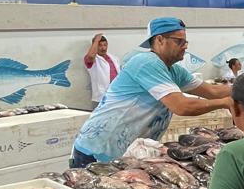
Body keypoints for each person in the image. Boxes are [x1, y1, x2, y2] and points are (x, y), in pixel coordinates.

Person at [72, 17, 232, 166]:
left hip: (128, 152)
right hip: (98, 150)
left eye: (186, 41)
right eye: (179, 41)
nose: (185, 46)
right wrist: (225, 103)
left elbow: (212, 90)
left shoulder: (174, 70)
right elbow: (182, 106)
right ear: (159, 40)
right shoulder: (146, 63)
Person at [84, 33, 121, 107]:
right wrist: (96, 40)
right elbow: (91, 56)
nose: (103, 48)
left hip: (117, 93)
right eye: (100, 45)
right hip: (102, 95)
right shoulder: (93, 60)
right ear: (95, 46)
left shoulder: (114, 58)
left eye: (105, 45)